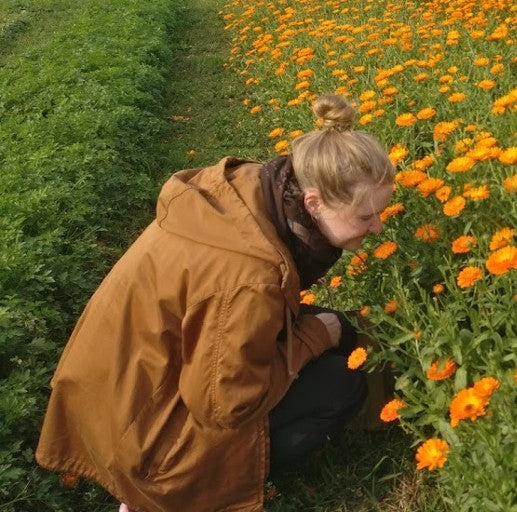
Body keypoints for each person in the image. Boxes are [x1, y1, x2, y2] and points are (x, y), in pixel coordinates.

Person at [35, 94, 396, 512]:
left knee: (339, 328)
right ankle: (162, 499)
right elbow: (225, 406)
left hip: (120, 401)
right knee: (339, 382)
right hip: (151, 447)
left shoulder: (250, 194)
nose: (378, 227)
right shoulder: (249, 279)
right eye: (366, 216)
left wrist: (320, 333)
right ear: (313, 202)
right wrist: (314, 338)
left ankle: (396, 404)